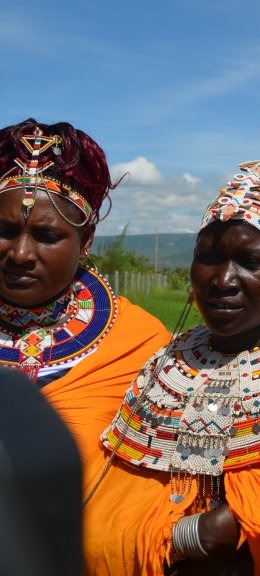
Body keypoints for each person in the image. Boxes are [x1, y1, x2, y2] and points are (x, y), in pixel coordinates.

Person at [87, 161, 260, 575]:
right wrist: (180, 537)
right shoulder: (164, 367)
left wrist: (237, 524)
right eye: (209, 259)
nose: (223, 279)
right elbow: (115, 503)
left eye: (249, 261)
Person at [0, 119, 169, 491]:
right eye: (5, 231)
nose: (21, 253)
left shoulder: (139, 343)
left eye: (46, 236)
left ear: (86, 239)